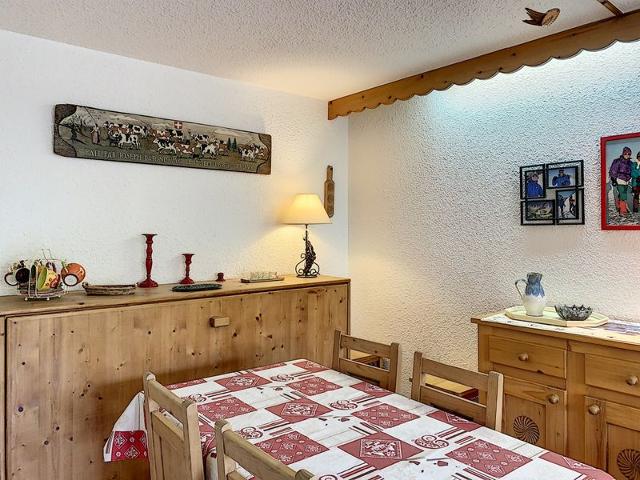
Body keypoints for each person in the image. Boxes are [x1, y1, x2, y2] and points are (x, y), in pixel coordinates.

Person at [610, 147, 633, 215]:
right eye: (625, 153)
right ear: (623, 153)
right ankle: (623, 210)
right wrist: (613, 179)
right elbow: (613, 170)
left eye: (629, 154)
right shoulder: (618, 161)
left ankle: (619, 206)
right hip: (619, 179)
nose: (627, 155)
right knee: (623, 195)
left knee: (622, 194)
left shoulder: (630, 163)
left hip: (627, 180)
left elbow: (632, 171)